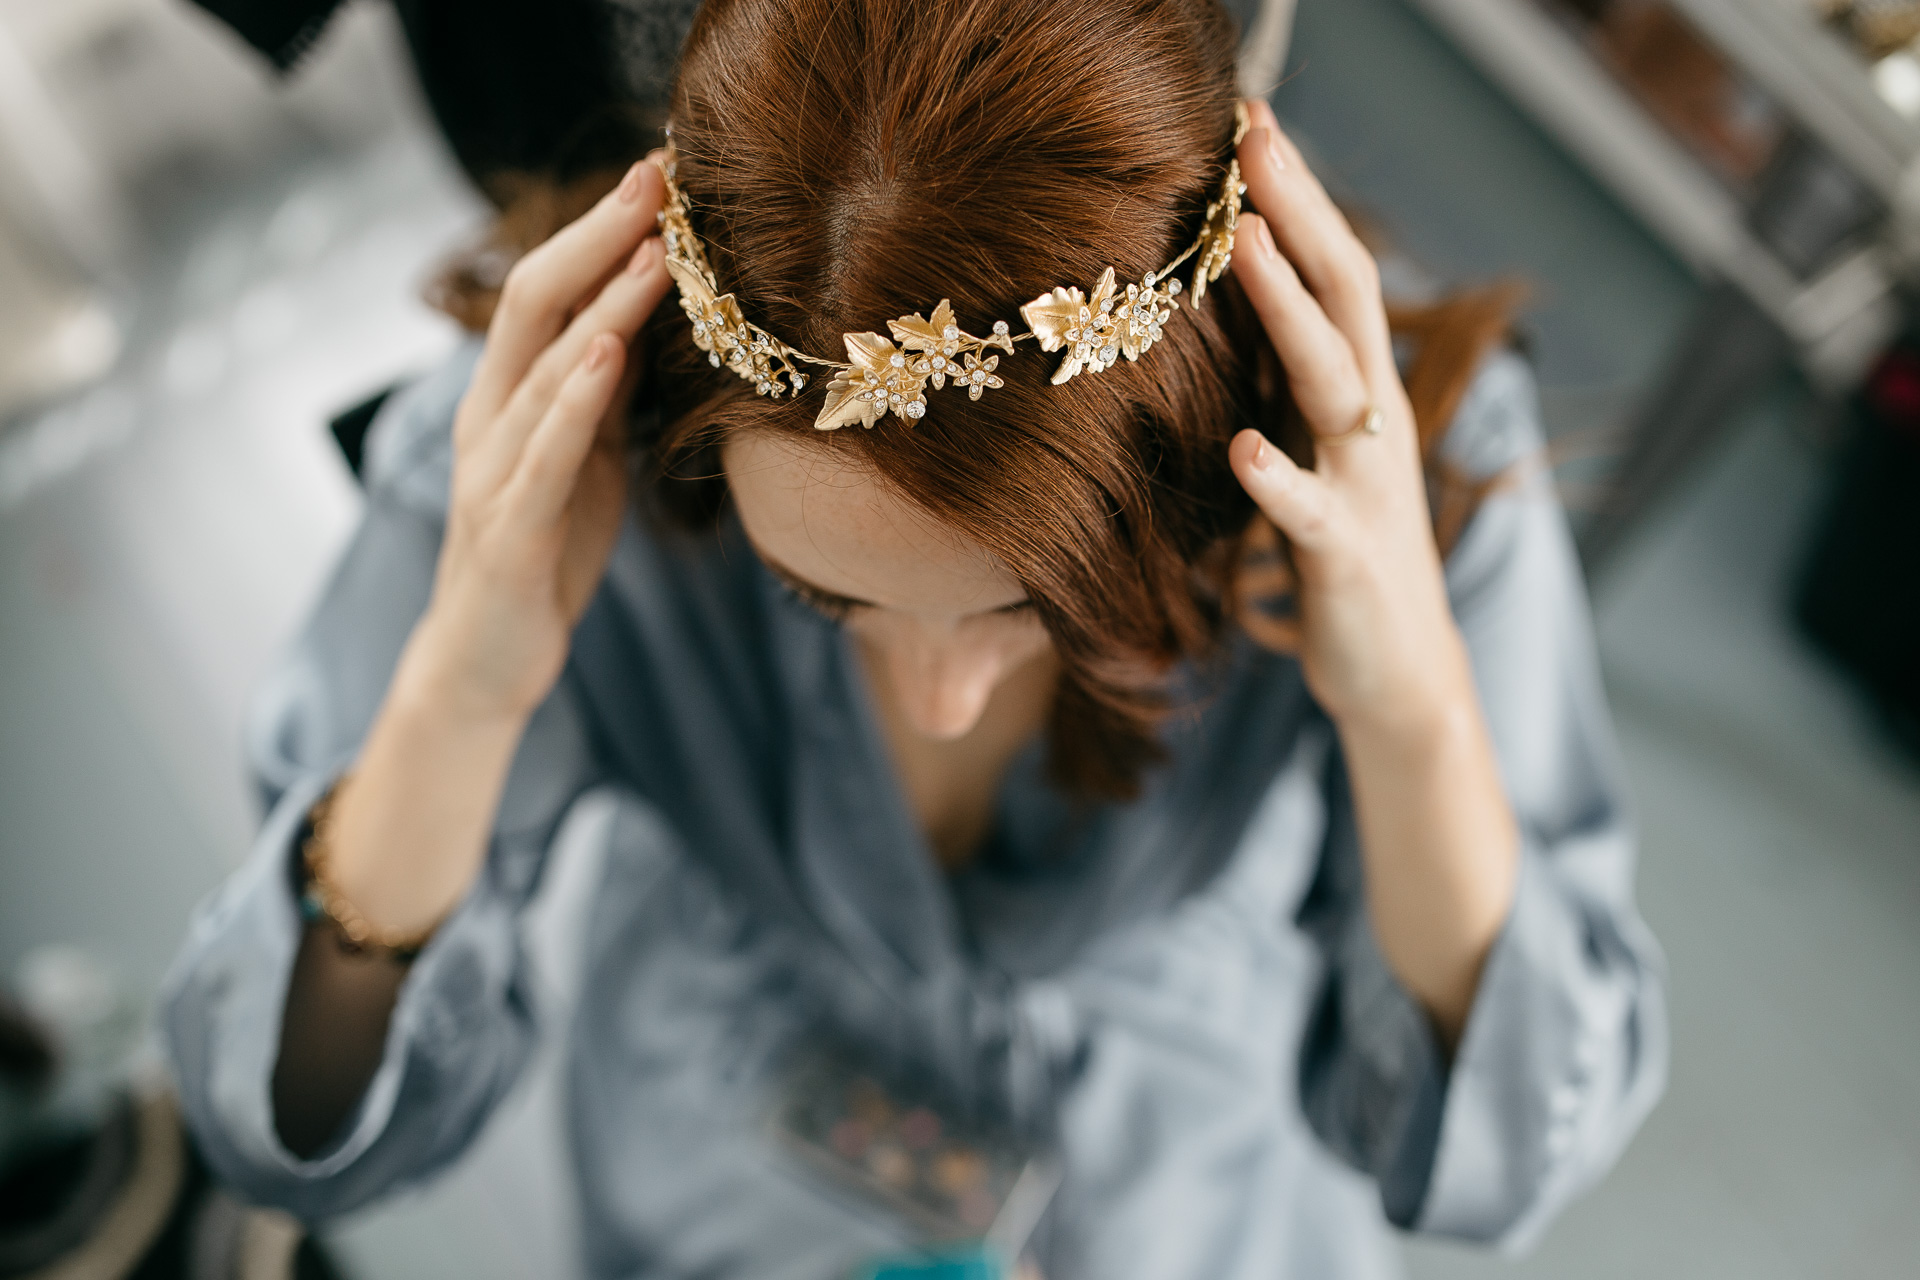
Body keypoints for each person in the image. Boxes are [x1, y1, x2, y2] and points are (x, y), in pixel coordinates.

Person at [161, 0, 1667, 1276]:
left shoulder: (1389, 467)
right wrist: (461, 696)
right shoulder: (552, 441)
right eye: (825, 600)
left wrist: (1409, 712)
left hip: (1186, 1195)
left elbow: (1507, 1157)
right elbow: (287, 1130)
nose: (941, 701)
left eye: (1035, 612)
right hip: (716, 1168)